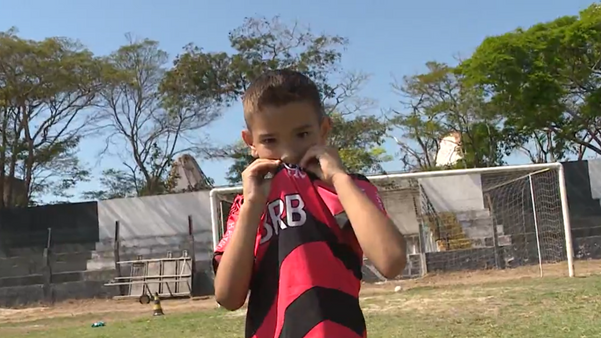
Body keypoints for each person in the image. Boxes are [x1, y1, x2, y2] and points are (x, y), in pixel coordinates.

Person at [213, 69, 406, 338]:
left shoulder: (348, 189)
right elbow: (227, 297)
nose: (289, 152)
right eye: (270, 140)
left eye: (302, 135)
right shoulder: (248, 203)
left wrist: (339, 177)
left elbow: (392, 261)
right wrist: (251, 207)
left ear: (323, 130)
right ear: (251, 142)